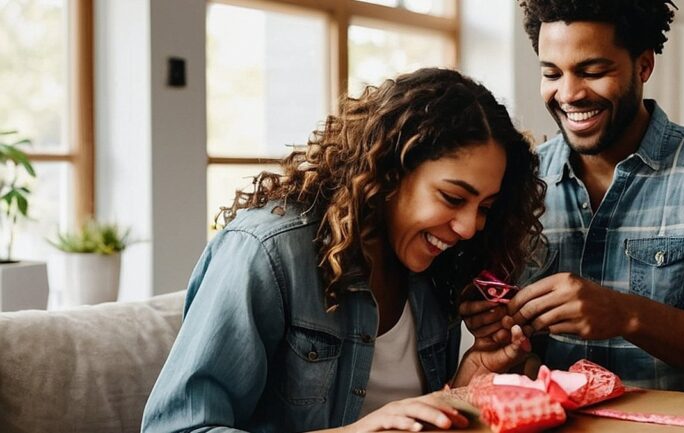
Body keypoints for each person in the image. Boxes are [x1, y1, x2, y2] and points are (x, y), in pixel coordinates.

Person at [141, 67, 547, 433]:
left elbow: (414, 419)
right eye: (453, 197)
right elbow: (176, 428)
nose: (469, 227)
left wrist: (470, 379)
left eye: (485, 209)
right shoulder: (268, 253)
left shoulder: (433, 266)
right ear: (389, 172)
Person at [463, 0, 684, 395]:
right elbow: (518, 350)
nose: (569, 93)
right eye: (552, 73)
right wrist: (495, 325)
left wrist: (627, 315)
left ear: (643, 66)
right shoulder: (520, 180)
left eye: (592, 71)